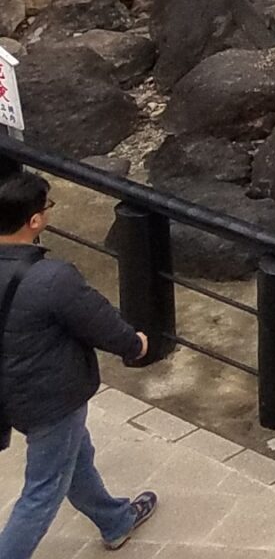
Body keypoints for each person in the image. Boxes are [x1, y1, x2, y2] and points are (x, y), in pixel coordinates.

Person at [0, 168, 158, 557]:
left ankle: (114, 519)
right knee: (42, 492)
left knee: (75, 455)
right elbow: (101, 323)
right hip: (49, 396)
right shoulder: (52, 278)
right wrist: (134, 345)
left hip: (8, 391)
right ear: (34, 221)